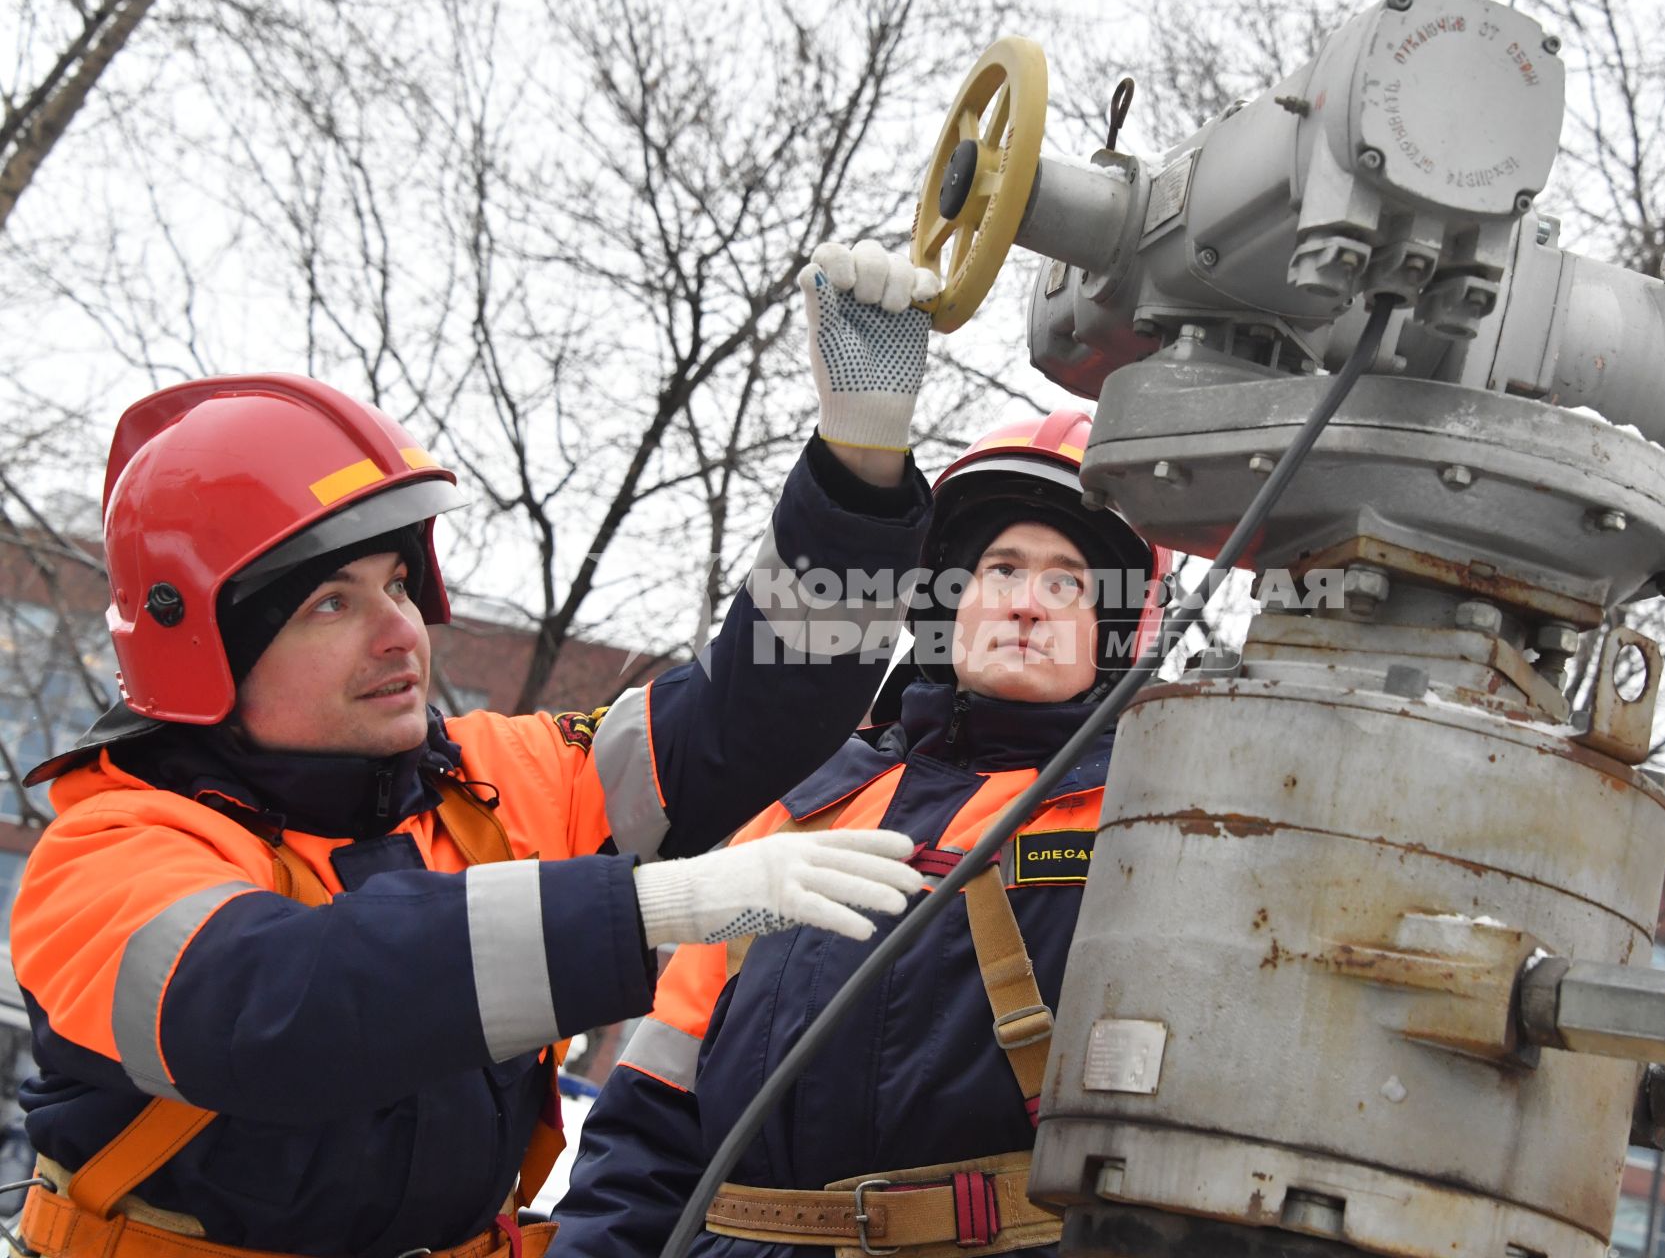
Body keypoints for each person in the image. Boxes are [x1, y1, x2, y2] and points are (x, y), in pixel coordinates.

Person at [7, 242, 945, 1258]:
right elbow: (276, 1004)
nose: (399, 632)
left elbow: (744, 718)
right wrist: (650, 905)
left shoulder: (493, 780)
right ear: (206, 644)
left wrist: (857, 468)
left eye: (400, 586)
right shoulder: (105, 854)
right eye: (333, 602)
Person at [549, 406, 1173, 1258]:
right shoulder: (797, 803)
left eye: (1068, 580)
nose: (1027, 603)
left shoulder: (1155, 824)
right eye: (1002, 569)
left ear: (1114, 628)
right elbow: (657, 1102)